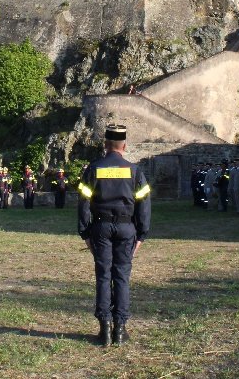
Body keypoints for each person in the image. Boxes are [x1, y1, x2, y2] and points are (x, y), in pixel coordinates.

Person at [77, 123, 151, 347]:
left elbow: (83, 203)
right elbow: (144, 205)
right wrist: (141, 235)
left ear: (105, 145)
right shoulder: (135, 171)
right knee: (121, 277)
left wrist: (85, 232)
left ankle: (104, 330)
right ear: (124, 146)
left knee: (103, 276)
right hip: (127, 228)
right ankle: (120, 329)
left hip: (100, 228)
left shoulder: (93, 169)